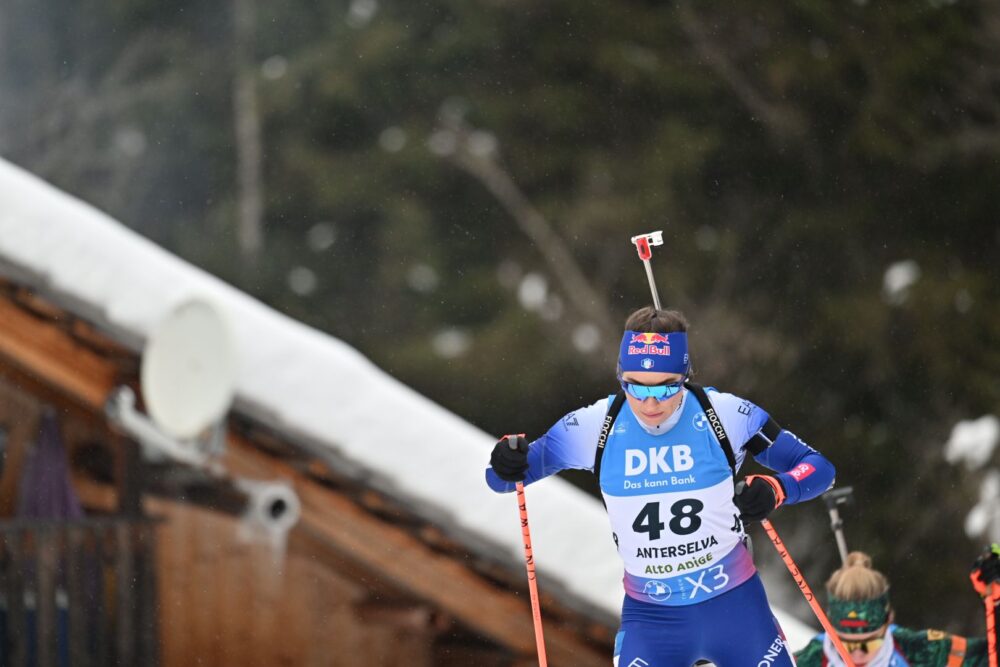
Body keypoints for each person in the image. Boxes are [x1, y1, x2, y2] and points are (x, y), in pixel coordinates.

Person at [485, 306, 836, 666]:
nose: (650, 402)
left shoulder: (724, 415)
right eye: (634, 386)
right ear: (620, 376)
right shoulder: (594, 427)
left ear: (685, 375)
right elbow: (503, 479)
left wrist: (777, 488)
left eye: (667, 388)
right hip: (653, 620)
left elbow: (819, 469)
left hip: (736, 609)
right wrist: (506, 460)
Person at [794, 546, 1000, 666]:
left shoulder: (917, 651)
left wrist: (996, 601)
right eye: (845, 645)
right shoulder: (810, 660)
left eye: (869, 644)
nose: (856, 655)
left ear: (887, 624)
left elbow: (989, 658)